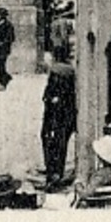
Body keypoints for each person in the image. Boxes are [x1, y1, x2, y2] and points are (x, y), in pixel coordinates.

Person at [40, 55, 77, 190]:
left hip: (56, 119)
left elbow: (47, 96)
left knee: (55, 143)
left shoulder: (59, 74)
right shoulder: (67, 74)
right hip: (58, 118)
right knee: (58, 144)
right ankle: (54, 172)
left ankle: (53, 173)